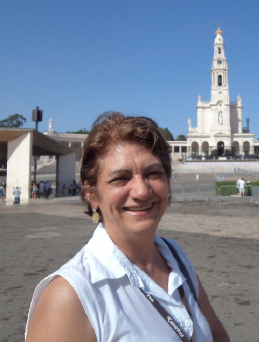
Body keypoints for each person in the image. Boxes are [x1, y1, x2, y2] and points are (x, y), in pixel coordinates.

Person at [26, 112, 230, 342]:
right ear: (92, 195)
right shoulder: (70, 296)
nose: (142, 191)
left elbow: (218, 334)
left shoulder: (176, 257)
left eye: (153, 173)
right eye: (120, 178)